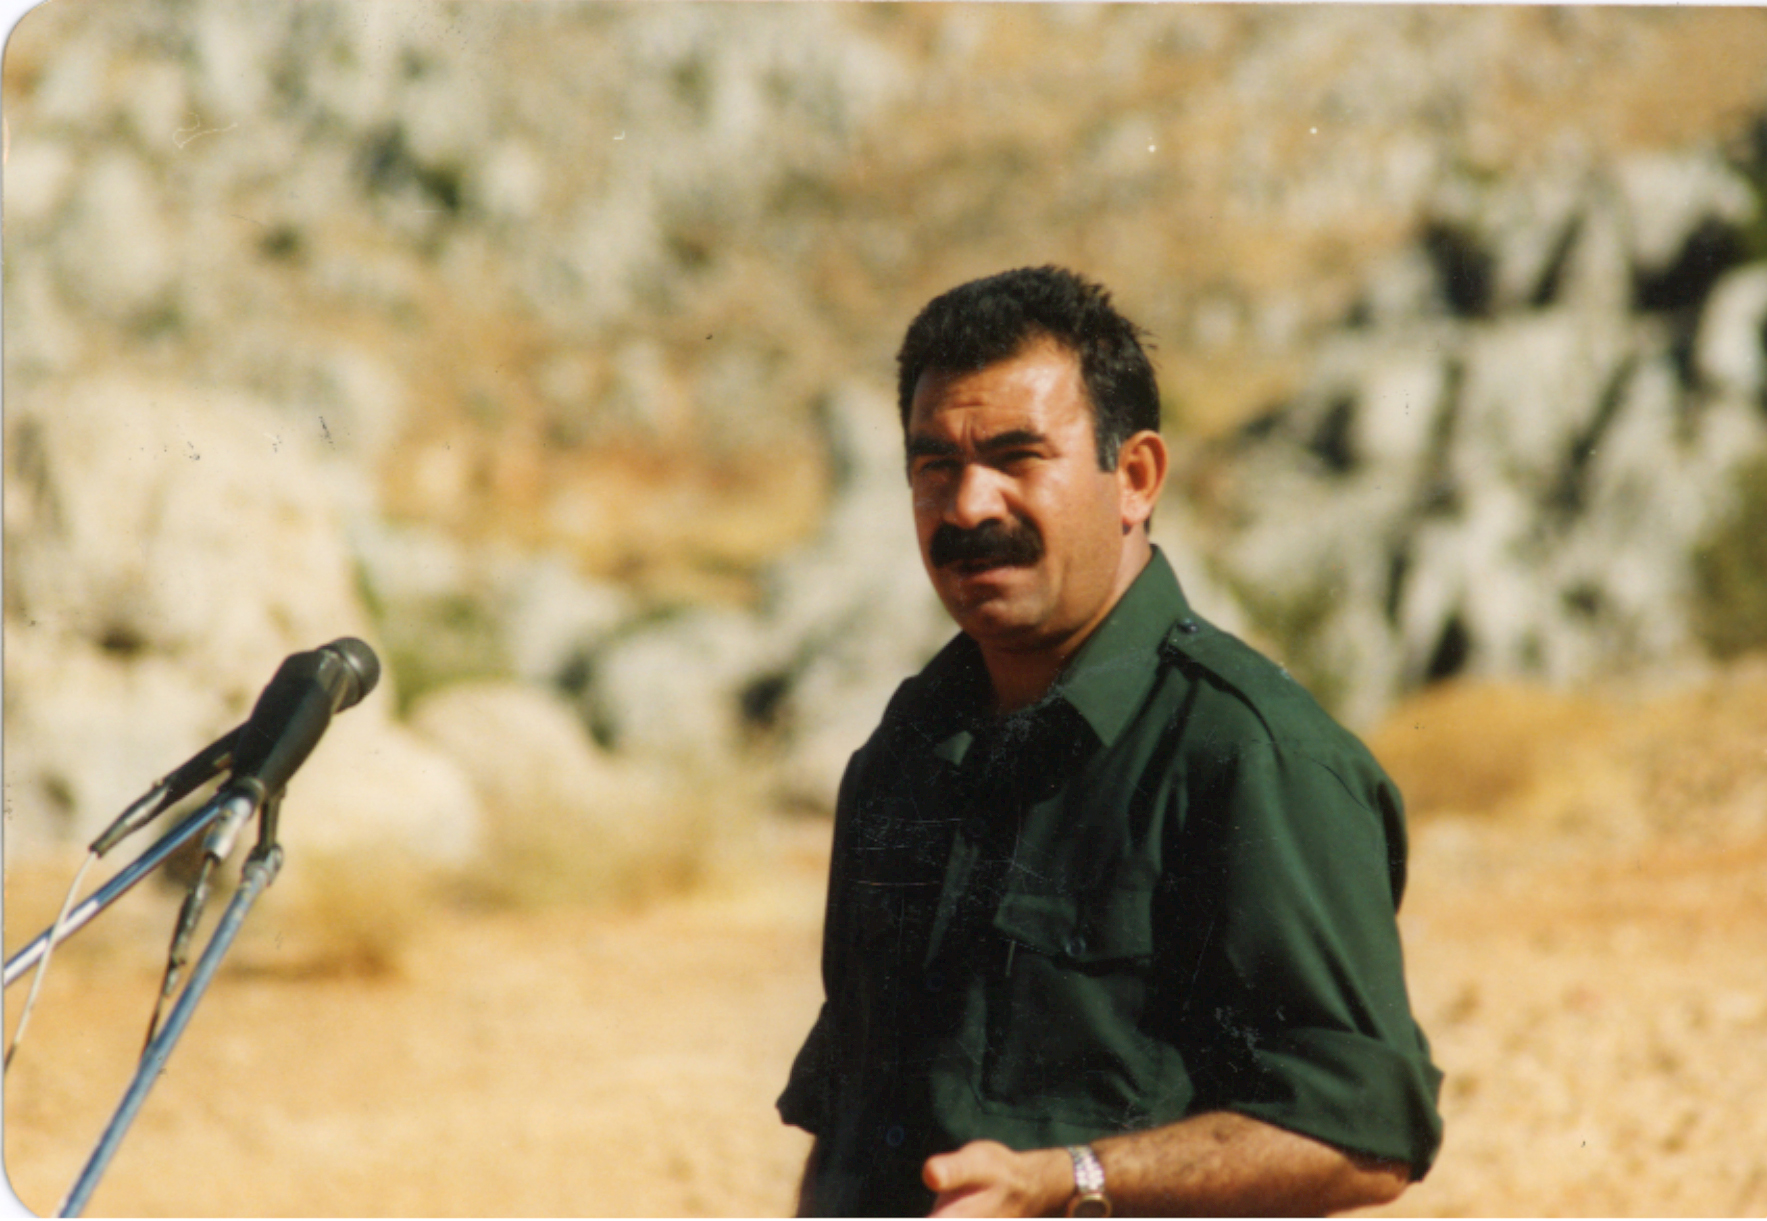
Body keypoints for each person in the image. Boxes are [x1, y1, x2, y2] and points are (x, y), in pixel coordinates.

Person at [778, 266, 1443, 1217]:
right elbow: (847, 1119)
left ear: (1134, 478)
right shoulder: (903, 756)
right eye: (934, 467)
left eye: (1017, 457)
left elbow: (1361, 1133)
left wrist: (1070, 1181)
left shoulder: (1250, 755)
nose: (967, 507)